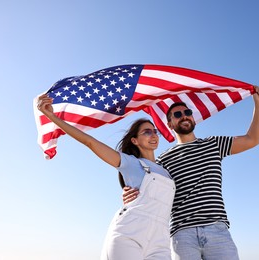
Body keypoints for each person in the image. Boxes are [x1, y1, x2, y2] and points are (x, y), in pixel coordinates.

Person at [123, 86, 259, 260]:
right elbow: (149, 189)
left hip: (217, 231)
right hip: (182, 235)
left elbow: (252, 140)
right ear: (170, 124)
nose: (184, 116)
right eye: (177, 114)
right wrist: (129, 194)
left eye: (187, 112)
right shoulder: (162, 160)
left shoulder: (214, 144)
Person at [37, 94, 175, 260]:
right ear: (135, 140)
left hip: (160, 241)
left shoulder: (166, 171)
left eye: (155, 132)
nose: (153, 135)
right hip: (129, 234)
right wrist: (52, 116)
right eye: (147, 132)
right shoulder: (129, 163)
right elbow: (90, 142)